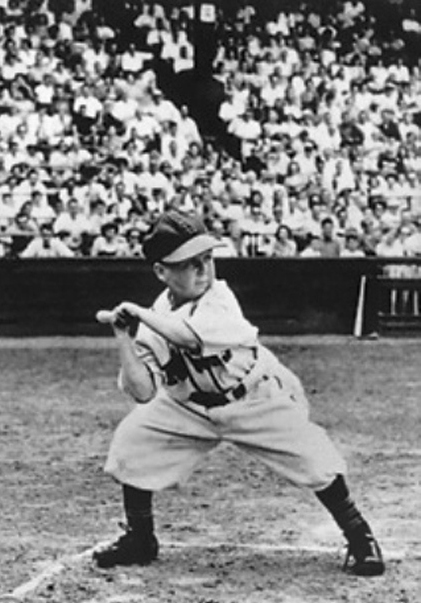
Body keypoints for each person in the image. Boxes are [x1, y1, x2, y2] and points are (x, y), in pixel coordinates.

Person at [91, 210, 384, 577]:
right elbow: (143, 392)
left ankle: (360, 537)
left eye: (207, 258)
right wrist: (124, 338)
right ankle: (140, 538)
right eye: (189, 263)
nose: (204, 270)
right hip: (189, 407)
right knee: (131, 442)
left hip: (253, 397)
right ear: (161, 271)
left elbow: (188, 336)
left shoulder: (220, 298)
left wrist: (139, 315)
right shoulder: (154, 318)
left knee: (315, 459)